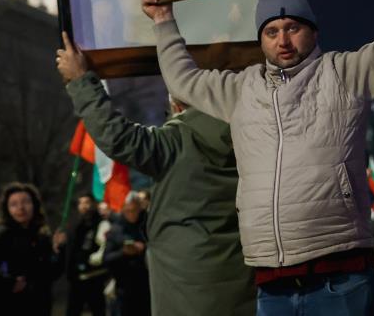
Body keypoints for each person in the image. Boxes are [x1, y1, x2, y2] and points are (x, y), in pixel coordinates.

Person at [140, 0, 374, 315]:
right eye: (271, 32)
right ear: (261, 40)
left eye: (293, 28)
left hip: (342, 278)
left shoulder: (346, 73)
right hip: (273, 286)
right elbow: (183, 79)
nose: (283, 40)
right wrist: (163, 22)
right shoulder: (240, 90)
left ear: (313, 32)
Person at [54, 39, 257, 316]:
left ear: (177, 101)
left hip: (186, 290)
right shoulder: (254, 137)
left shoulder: (177, 141)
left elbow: (118, 137)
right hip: (242, 286)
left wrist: (80, 80)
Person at [0, 183, 67, 316]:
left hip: (39, 305)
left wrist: (60, 250)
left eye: (26, 202)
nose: (21, 208)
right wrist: (9, 283)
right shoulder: (2, 234)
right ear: (7, 208)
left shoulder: (41, 236)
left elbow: (52, 273)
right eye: (14, 204)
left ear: (34, 205)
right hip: (10, 306)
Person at [104, 193, 151, 316]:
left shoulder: (147, 227)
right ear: (124, 209)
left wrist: (144, 248)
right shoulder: (115, 230)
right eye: (128, 210)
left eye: (135, 210)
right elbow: (107, 259)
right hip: (124, 288)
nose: (132, 214)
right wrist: (123, 253)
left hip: (146, 286)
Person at [65, 194, 108, 316]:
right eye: (81, 203)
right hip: (77, 278)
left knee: (98, 310)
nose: (84, 206)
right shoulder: (75, 226)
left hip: (95, 276)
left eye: (87, 202)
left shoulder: (101, 224)